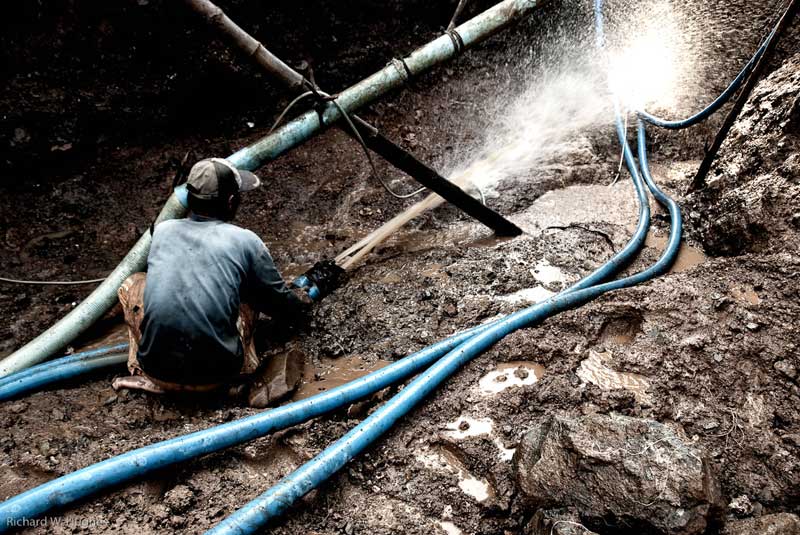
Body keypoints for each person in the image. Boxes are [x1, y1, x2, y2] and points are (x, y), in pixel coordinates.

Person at [112, 158, 325, 400]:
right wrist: (304, 298)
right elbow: (279, 305)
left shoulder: (162, 231)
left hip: (157, 373)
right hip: (217, 378)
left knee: (133, 283)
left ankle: (138, 366)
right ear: (232, 201)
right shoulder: (245, 241)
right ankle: (247, 368)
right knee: (248, 290)